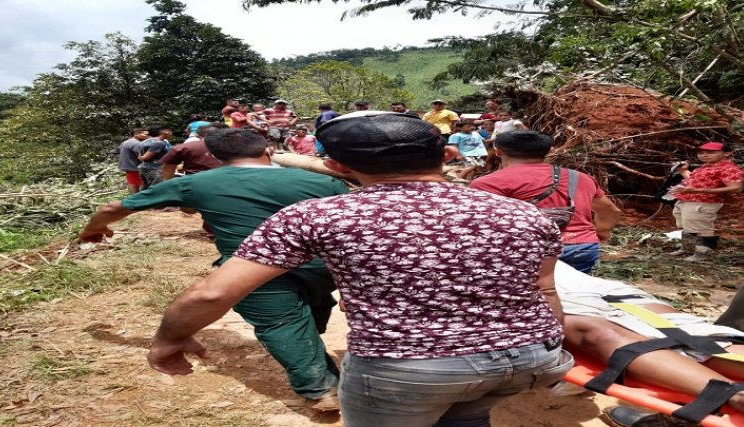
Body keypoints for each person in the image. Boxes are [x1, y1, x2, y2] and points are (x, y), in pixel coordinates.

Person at [146, 112, 571, 427]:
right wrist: (552, 352)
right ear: (443, 155)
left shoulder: (316, 216)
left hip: (407, 370)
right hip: (527, 358)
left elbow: (213, 293)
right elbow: (545, 291)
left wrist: (171, 337)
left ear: (336, 167)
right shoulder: (523, 214)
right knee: (466, 416)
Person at [79, 128, 349, 411]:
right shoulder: (321, 181)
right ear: (268, 151)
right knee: (312, 302)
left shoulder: (196, 183)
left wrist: (92, 230)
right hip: (321, 267)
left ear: (215, 157)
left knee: (281, 322)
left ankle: (321, 389)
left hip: (249, 272)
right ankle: (310, 341)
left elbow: (114, 207)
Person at [554, 261, 744, 426]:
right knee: (682, 331)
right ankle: (730, 395)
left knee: (685, 330)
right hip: (566, 282)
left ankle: (732, 396)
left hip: (572, 285)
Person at [470, 131, 621, 273]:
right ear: (550, 151)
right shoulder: (580, 177)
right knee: (573, 294)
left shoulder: (488, 183)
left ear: (498, 152)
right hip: (581, 247)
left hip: (526, 249)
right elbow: (610, 211)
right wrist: (602, 232)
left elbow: (482, 224)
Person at [667, 141, 743, 261]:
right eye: (701, 152)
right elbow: (695, 180)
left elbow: (736, 187)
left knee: (702, 227)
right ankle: (687, 249)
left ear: (727, 153)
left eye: (710, 152)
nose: (704, 155)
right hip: (687, 199)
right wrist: (683, 171)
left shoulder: (728, 169)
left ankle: (703, 254)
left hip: (705, 202)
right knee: (688, 225)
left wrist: (697, 190)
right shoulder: (706, 166)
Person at [160, 124, 225, 179]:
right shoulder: (232, 145)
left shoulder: (184, 147)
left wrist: (168, 182)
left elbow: (168, 168)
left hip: (196, 182)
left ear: (198, 135)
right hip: (228, 180)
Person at [137, 125, 173, 189]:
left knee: (145, 188)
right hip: (154, 169)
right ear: (164, 132)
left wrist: (142, 158)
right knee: (156, 189)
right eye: (170, 131)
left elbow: (139, 156)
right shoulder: (159, 143)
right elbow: (146, 157)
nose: (171, 133)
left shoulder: (145, 141)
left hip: (144, 167)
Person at [117, 128, 149, 194]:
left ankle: (133, 199)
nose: (147, 136)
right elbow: (142, 155)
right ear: (136, 134)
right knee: (140, 185)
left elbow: (116, 152)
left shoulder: (125, 142)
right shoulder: (137, 143)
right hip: (135, 168)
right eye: (145, 134)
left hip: (128, 168)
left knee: (132, 183)